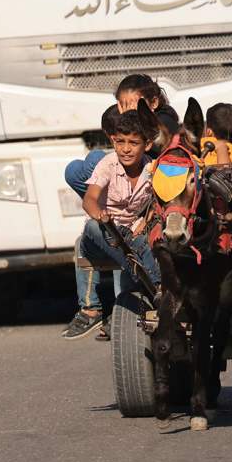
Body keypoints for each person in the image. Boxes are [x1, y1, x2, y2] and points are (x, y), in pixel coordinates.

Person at [62, 105, 163, 340]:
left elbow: (157, 205)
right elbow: (90, 199)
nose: (125, 149)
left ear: (146, 144)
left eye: (133, 143)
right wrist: (101, 216)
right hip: (104, 234)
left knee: (150, 238)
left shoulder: (153, 168)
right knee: (91, 228)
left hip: (134, 235)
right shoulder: (108, 164)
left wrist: (144, 224)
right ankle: (153, 282)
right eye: (120, 142)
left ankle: (157, 287)